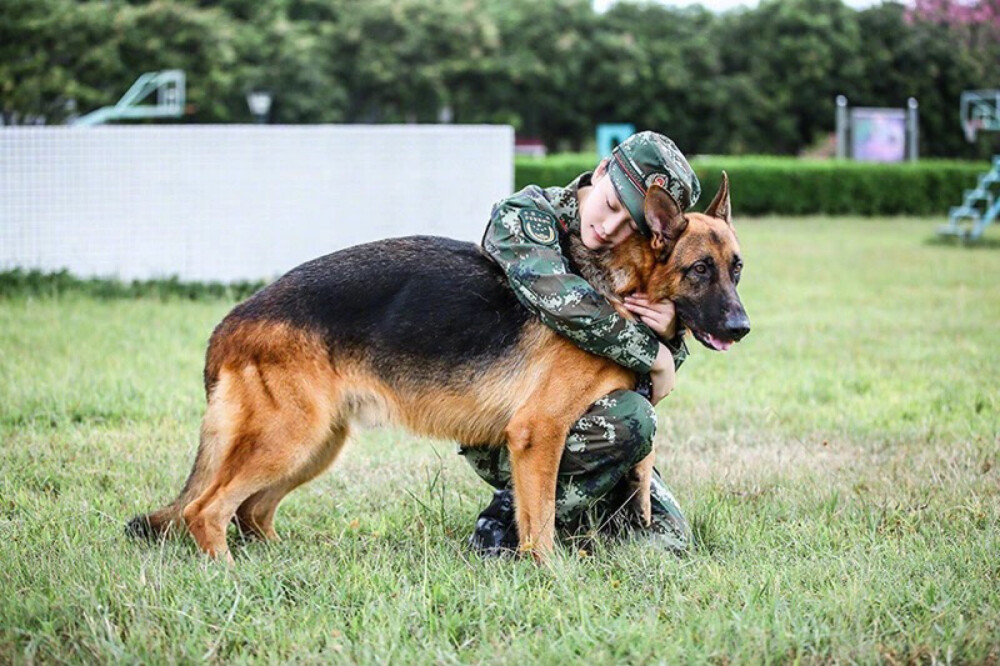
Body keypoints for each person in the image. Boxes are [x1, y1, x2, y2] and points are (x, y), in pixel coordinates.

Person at [460, 131, 701, 556]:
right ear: (603, 169)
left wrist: (670, 333)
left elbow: (645, 380)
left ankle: (575, 511)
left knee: (666, 539)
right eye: (610, 205)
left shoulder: (635, 253)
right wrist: (653, 352)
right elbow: (566, 305)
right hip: (504, 420)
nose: (610, 229)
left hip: (589, 422)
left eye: (632, 224)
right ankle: (513, 513)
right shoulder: (525, 217)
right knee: (632, 419)